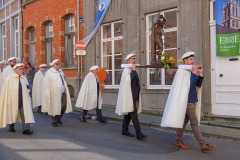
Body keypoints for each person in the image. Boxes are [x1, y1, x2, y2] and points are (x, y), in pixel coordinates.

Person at [161, 51, 215, 152]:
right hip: (187, 101)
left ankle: (178, 141)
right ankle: (202, 144)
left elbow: (197, 85)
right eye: (190, 59)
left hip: (191, 99)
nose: (192, 61)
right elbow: (188, 86)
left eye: (193, 59)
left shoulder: (190, 71)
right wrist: (194, 73)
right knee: (194, 122)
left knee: (184, 121)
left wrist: (200, 74)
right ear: (185, 60)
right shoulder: (181, 71)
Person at [115, 52, 146, 140]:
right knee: (134, 116)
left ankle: (124, 130)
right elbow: (127, 81)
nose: (134, 60)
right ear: (128, 60)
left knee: (128, 115)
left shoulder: (131, 69)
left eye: (134, 59)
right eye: (132, 59)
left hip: (134, 95)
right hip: (130, 97)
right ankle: (139, 134)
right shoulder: (127, 70)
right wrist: (133, 71)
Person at [0, 63, 35, 135]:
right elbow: (6, 90)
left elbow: (27, 87)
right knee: (12, 112)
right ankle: (11, 127)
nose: (22, 70)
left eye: (22, 69)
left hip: (23, 99)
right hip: (12, 99)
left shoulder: (23, 78)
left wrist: (28, 95)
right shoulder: (9, 78)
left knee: (24, 113)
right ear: (15, 69)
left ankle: (26, 129)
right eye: (20, 69)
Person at [41, 59, 72, 127]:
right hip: (54, 93)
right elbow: (46, 84)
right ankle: (54, 120)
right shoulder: (49, 73)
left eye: (59, 64)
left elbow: (63, 80)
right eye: (57, 64)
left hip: (63, 91)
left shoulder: (60, 71)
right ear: (53, 65)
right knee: (55, 106)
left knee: (64, 106)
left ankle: (58, 118)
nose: (58, 65)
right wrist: (47, 93)